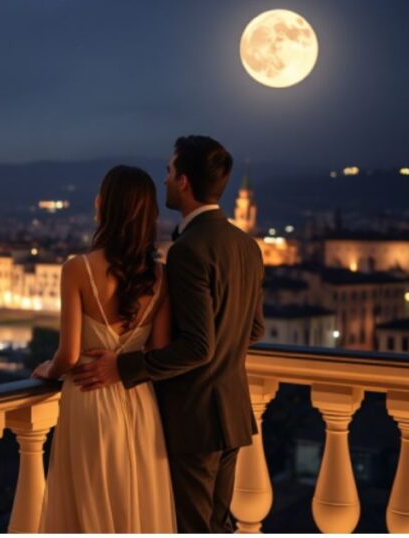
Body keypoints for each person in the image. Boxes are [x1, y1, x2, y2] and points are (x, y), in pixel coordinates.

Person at [71, 135, 265, 533]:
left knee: (193, 528)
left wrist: (123, 367)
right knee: (216, 526)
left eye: (169, 172)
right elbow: (254, 329)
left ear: (184, 182)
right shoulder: (246, 245)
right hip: (231, 414)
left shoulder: (188, 250)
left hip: (194, 419)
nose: (164, 180)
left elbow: (197, 346)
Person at [32, 165, 176, 533]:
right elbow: (159, 351)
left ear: (107, 206)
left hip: (90, 399)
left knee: (89, 504)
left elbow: (68, 355)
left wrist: (48, 369)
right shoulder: (161, 276)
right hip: (140, 400)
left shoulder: (77, 269)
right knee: (135, 503)